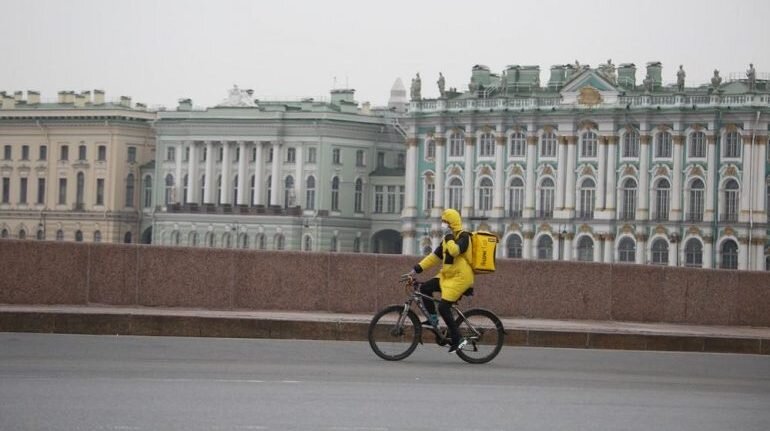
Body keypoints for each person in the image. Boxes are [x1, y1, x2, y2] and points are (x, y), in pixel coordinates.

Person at [408, 208, 474, 353]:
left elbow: (455, 251)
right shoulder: (446, 240)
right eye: (442, 221)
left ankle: (458, 339)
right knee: (425, 288)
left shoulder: (464, 237)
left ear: (452, 223)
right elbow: (433, 258)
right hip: (448, 276)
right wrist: (415, 269)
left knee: (444, 307)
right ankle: (433, 320)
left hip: (461, 278)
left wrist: (449, 237)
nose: (443, 224)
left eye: (445, 221)